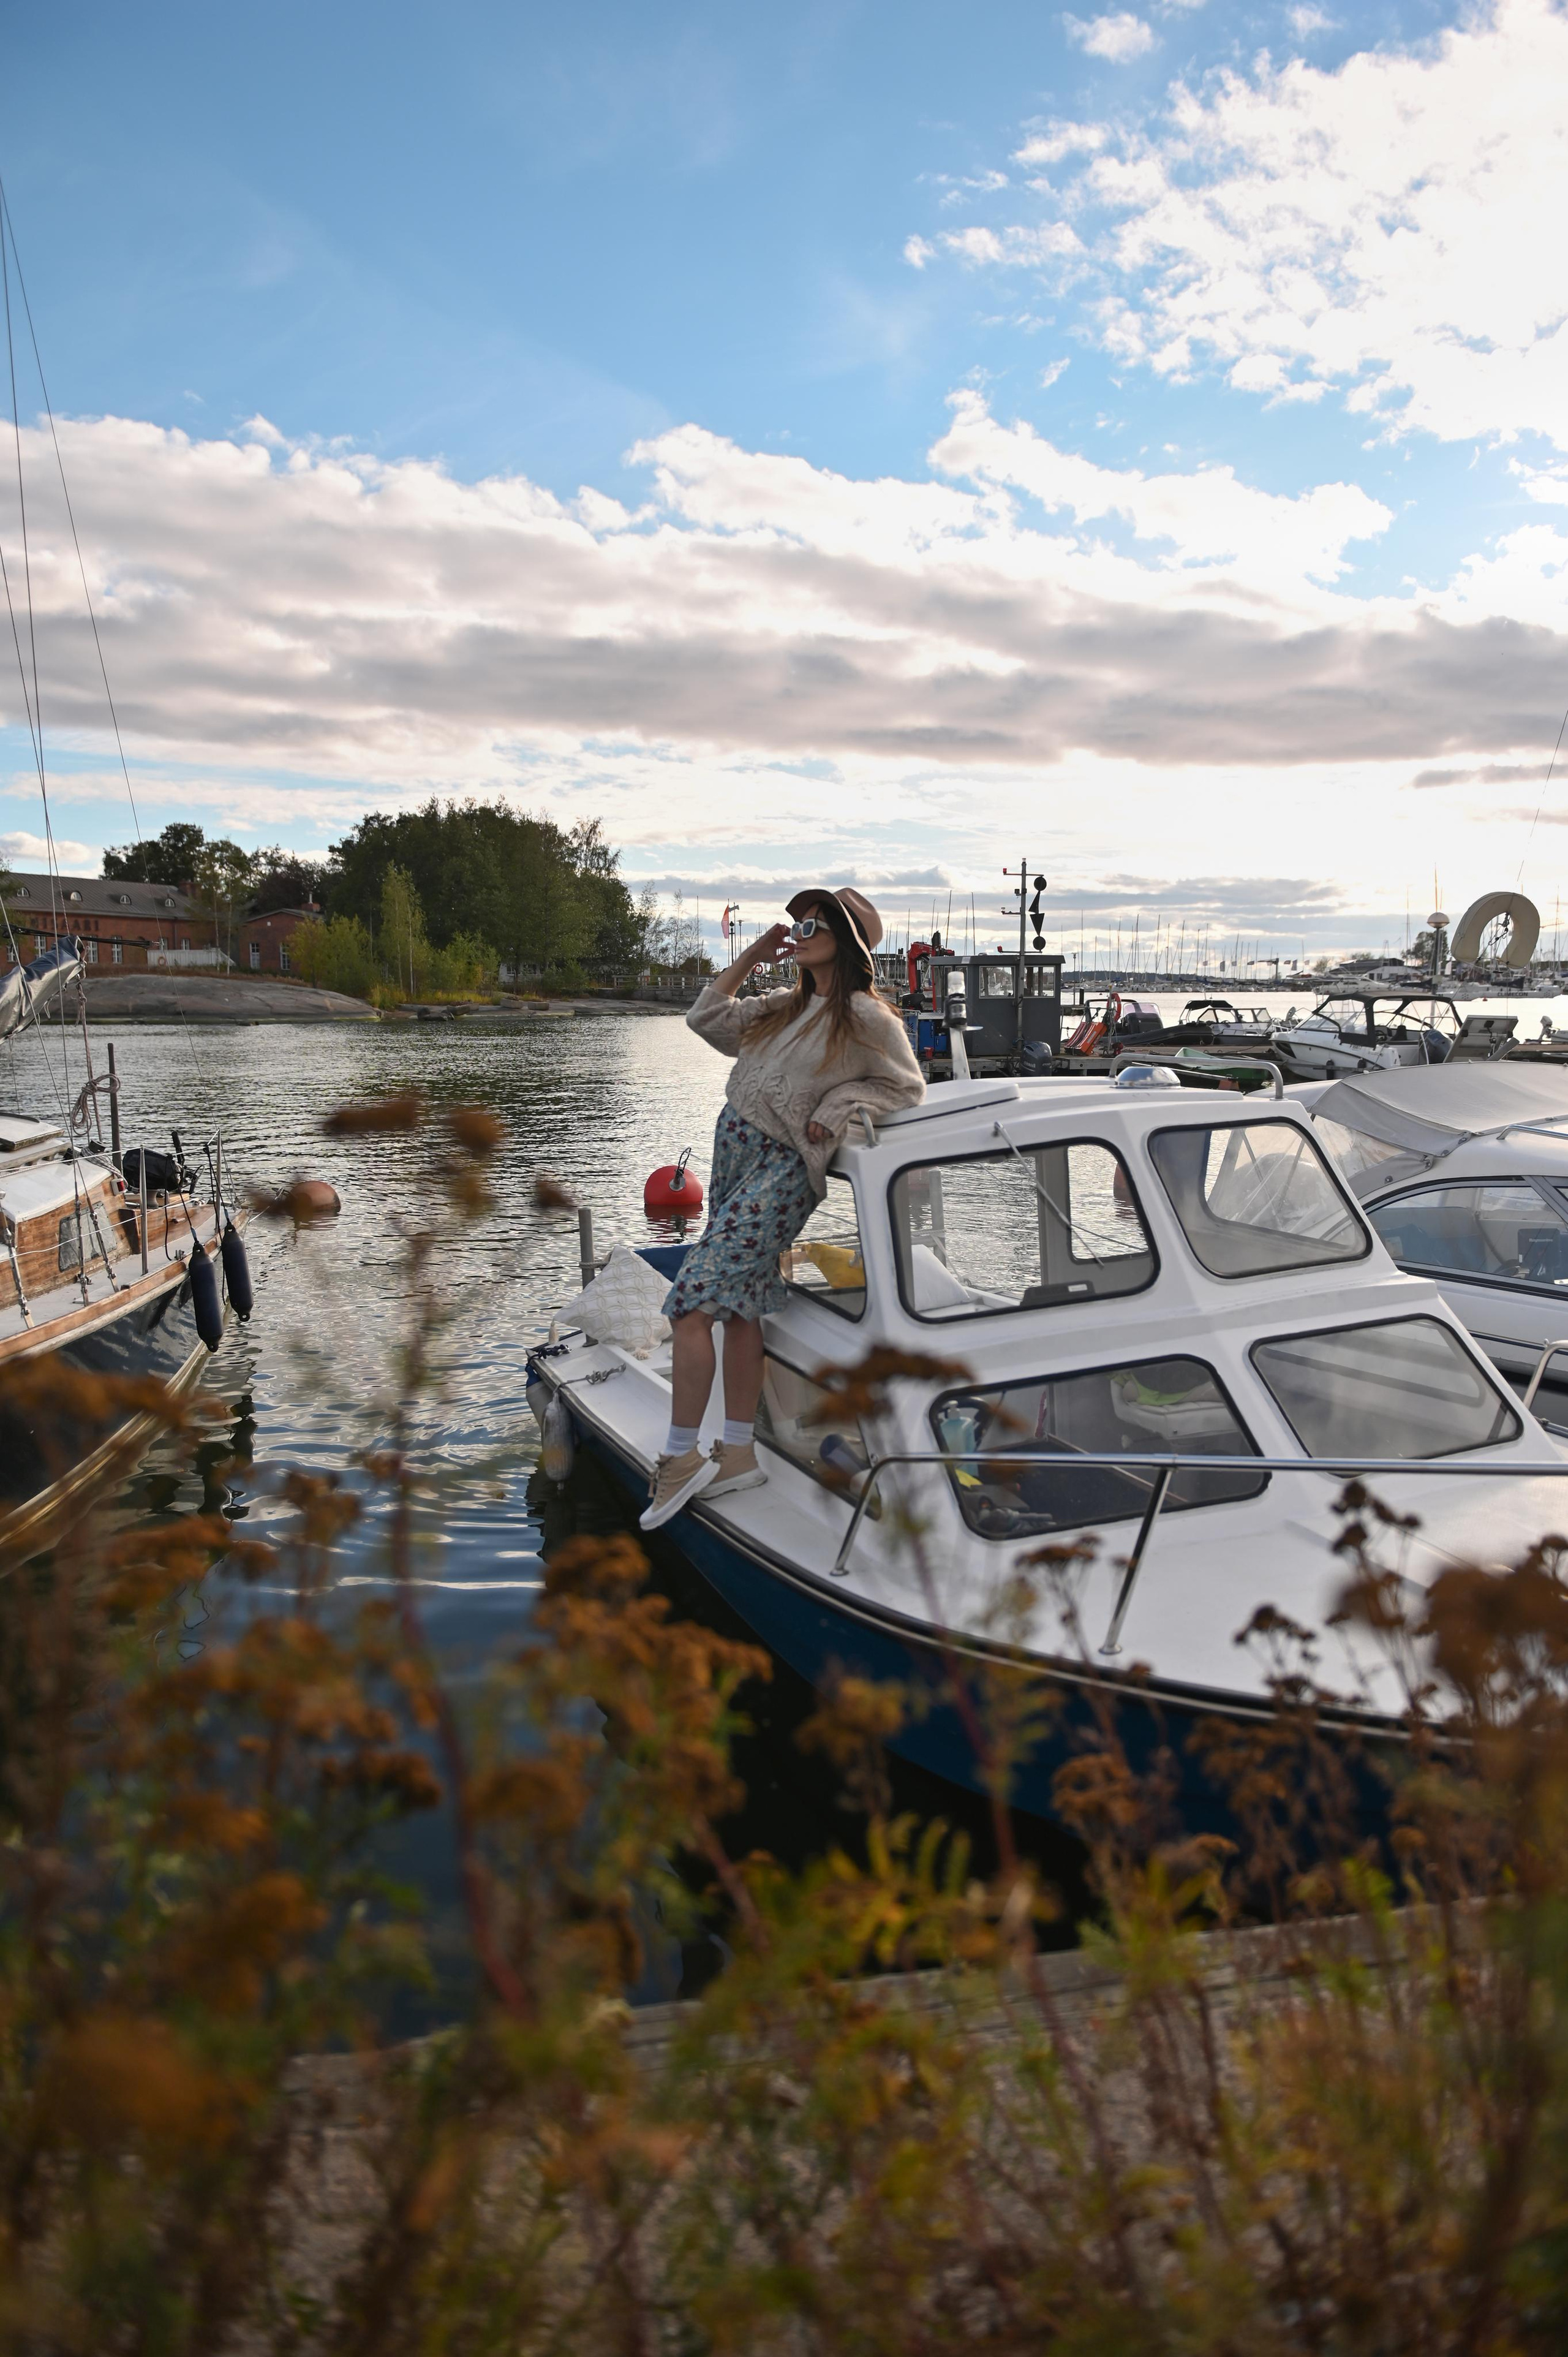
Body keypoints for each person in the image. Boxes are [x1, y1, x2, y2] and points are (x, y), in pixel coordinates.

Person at [639, 887, 925, 1530]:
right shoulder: (784, 1005)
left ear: (849, 940)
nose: (802, 929)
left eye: (816, 922)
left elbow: (905, 1087)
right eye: (799, 920)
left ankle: (680, 1456)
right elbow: (705, 1019)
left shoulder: (864, 1018)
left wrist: (835, 1108)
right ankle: (737, 1452)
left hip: (782, 1168)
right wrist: (754, 954)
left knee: (690, 1303)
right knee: (739, 1308)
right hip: (734, 1157)